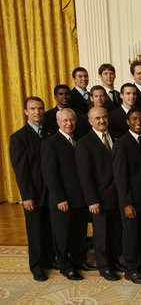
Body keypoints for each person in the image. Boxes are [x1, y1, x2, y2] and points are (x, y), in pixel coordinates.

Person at [40, 108, 93, 281]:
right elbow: (50, 174)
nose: (69, 123)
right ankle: (65, 265)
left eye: (71, 120)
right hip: (62, 199)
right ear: (58, 123)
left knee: (79, 232)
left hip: (80, 197)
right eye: (65, 121)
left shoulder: (79, 139)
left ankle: (79, 260)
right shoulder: (50, 143)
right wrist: (59, 198)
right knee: (62, 234)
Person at [9, 97, 55, 281]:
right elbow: (21, 171)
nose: (37, 112)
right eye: (33, 109)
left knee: (50, 228)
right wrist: (26, 195)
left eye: (40, 108)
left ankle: (50, 260)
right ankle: (36, 266)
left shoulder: (50, 133)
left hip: (51, 191)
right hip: (33, 193)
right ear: (26, 111)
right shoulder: (19, 137)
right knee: (35, 231)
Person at [75, 107, 123, 281]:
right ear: (90, 121)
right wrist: (92, 200)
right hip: (99, 198)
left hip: (117, 196)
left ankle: (115, 260)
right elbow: (84, 176)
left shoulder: (115, 138)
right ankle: (104, 267)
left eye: (104, 117)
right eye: (97, 118)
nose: (102, 120)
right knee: (101, 233)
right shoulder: (84, 143)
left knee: (116, 231)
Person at [112, 108, 141, 284]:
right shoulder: (122, 143)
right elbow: (120, 178)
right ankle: (131, 269)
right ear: (128, 122)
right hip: (130, 200)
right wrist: (126, 203)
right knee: (130, 236)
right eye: (134, 119)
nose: (138, 122)